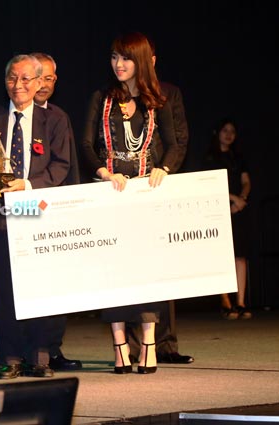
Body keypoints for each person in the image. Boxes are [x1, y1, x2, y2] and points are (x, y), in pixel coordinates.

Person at [81, 32, 187, 374]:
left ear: (141, 60)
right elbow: (85, 145)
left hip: (145, 198)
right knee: (113, 274)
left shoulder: (160, 98)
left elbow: (174, 143)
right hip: (110, 196)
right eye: (113, 57)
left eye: (125, 58)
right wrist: (102, 172)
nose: (118, 65)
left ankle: (150, 345)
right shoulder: (101, 97)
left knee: (147, 272)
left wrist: (164, 168)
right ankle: (119, 346)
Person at [0, 54, 72, 379]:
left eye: (26, 79)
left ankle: (39, 358)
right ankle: (11, 359)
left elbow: (61, 166)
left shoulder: (55, 120)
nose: (18, 85)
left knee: (40, 289)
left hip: (38, 213)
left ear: (40, 82)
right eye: (12, 78)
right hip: (0, 218)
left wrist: (27, 185)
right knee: (5, 293)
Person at [124, 40, 195, 365]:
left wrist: (164, 168)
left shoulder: (168, 93)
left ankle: (165, 344)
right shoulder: (114, 95)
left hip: (158, 186)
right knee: (128, 268)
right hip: (124, 190)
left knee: (161, 267)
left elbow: (178, 139)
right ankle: (134, 348)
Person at [29, 52, 82, 372]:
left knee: (57, 285)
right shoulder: (9, 117)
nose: (44, 84)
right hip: (22, 212)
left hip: (54, 209)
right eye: (39, 77)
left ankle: (52, 348)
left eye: (50, 78)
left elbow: (67, 167)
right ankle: (31, 350)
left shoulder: (59, 117)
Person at [203, 117, 252, 320]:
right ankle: (225, 302)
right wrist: (232, 198)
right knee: (220, 254)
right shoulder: (210, 157)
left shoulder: (238, 157)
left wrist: (242, 199)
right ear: (218, 133)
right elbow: (209, 183)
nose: (229, 134)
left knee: (240, 256)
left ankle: (240, 302)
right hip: (217, 208)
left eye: (232, 131)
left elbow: (246, 181)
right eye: (225, 130)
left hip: (237, 209)